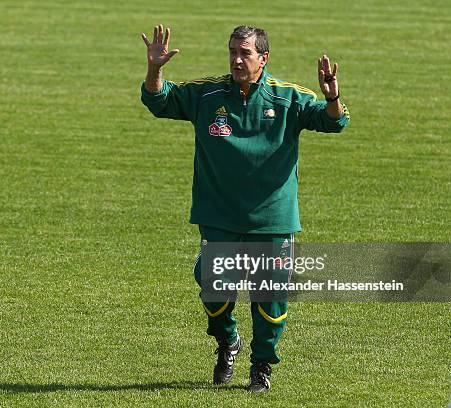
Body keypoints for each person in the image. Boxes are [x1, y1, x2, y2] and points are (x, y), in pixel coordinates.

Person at [140, 24, 350, 392]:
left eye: (245, 53)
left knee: (269, 294)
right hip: (219, 214)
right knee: (213, 282)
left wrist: (332, 99)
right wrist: (155, 70)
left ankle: (262, 366)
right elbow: (159, 101)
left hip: (272, 216)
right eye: (233, 52)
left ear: (263, 58)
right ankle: (227, 341)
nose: (237, 59)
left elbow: (334, 123)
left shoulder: (288, 98)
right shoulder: (207, 95)